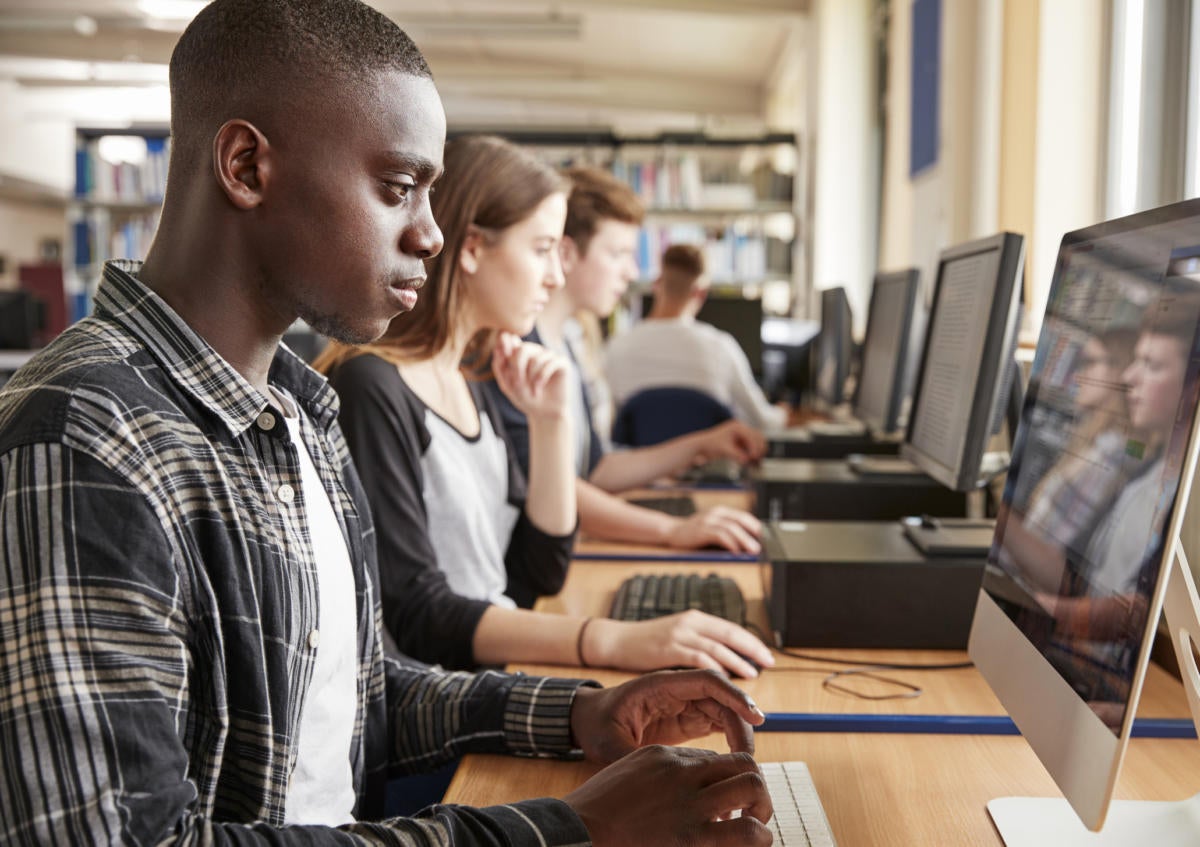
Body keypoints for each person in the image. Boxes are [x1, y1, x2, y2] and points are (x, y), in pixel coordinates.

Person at [0, 3, 775, 844]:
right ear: (247, 166)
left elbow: (364, 692)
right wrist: (560, 831)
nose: (434, 234)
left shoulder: (301, 411)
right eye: (398, 187)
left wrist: (581, 712)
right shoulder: (85, 437)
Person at [314, 135, 771, 679]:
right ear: (474, 249)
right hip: (431, 712)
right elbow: (419, 615)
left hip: (489, 679)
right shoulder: (372, 387)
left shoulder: (473, 377)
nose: (555, 276)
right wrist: (609, 640)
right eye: (540, 250)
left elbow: (539, 573)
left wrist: (551, 423)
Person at [487, 166, 766, 554]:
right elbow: (547, 482)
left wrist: (702, 443)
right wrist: (671, 530)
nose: (631, 272)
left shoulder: (567, 341)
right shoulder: (514, 351)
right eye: (617, 254)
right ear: (566, 253)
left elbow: (596, 471)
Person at [604, 243, 787, 431]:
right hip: (709, 459)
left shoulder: (616, 348)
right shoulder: (721, 348)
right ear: (701, 292)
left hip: (635, 460)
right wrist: (786, 413)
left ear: (657, 283)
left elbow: (605, 424)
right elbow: (763, 421)